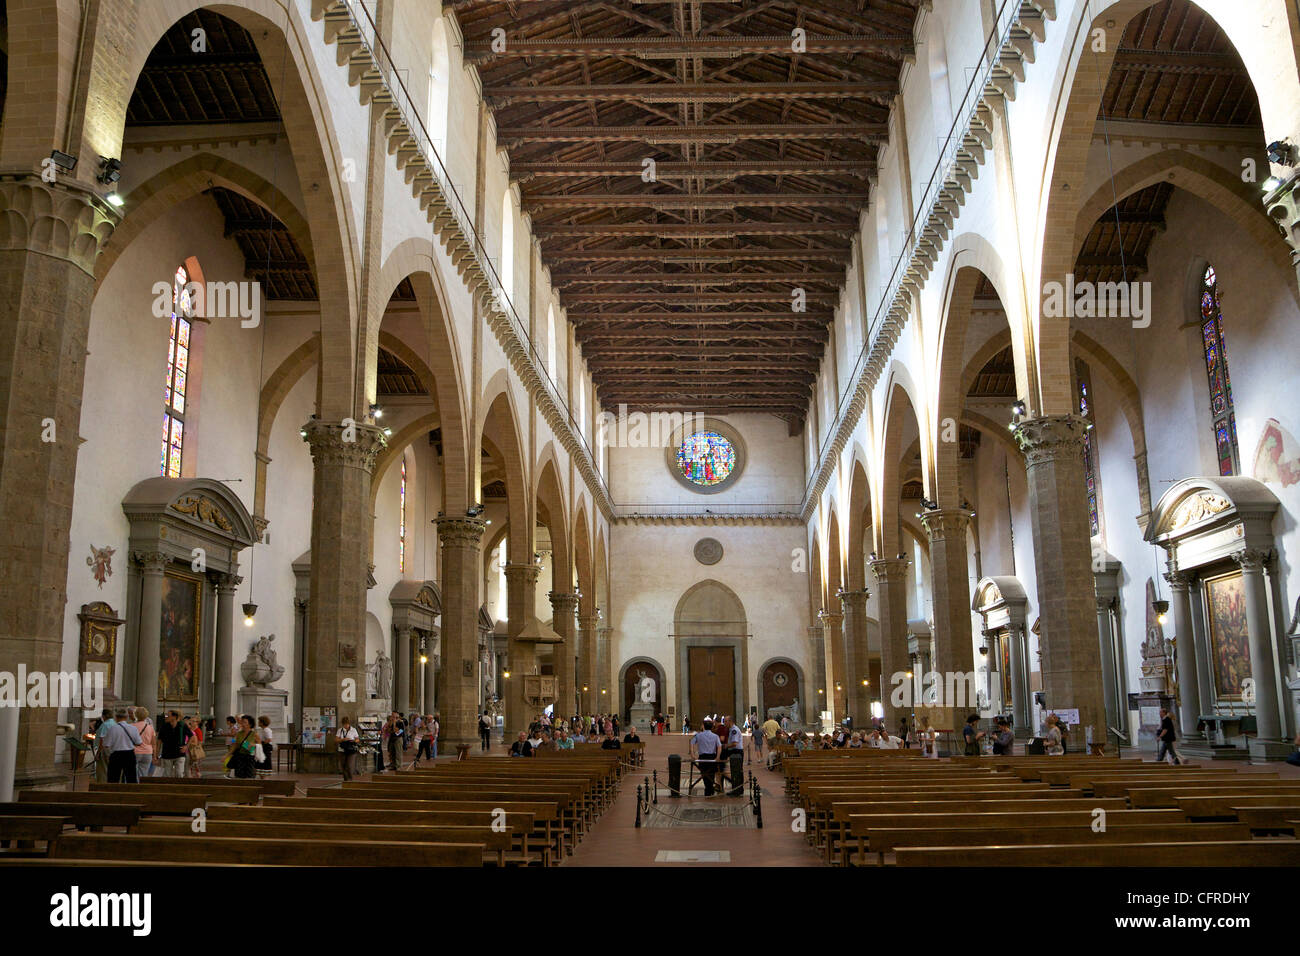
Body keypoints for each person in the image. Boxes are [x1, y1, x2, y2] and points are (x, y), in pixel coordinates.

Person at [98, 709, 143, 783]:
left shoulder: (112, 729)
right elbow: (139, 743)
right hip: (129, 754)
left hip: (116, 755)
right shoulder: (133, 728)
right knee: (131, 777)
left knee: (113, 778)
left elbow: (106, 744)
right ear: (127, 717)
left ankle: (113, 793)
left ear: (116, 717)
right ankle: (131, 793)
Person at [691, 718, 722, 796]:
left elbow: (692, 743)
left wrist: (693, 754)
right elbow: (719, 747)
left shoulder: (698, 735)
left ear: (704, 726)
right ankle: (710, 789)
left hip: (702, 757)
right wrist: (718, 757)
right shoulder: (715, 736)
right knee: (711, 774)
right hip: (712, 757)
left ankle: (708, 789)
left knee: (704, 774)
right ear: (712, 727)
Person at [155, 709, 188, 778]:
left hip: (179, 754)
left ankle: (178, 788)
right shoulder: (164, 727)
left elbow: (192, 736)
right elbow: (159, 742)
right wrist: (156, 755)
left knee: (179, 774)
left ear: (174, 717)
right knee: (167, 775)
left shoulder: (182, 726)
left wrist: (186, 746)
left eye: (168, 715)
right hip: (167, 754)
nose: (165, 717)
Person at [131, 706, 156, 780]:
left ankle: (134, 789)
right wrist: (154, 756)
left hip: (135, 752)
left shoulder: (132, 726)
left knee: (132, 773)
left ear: (135, 715)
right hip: (147, 753)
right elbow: (153, 743)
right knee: (143, 774)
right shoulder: (150, 727)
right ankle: (141, 788)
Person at [336, 716, 360, 780]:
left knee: (349, 765)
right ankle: (346, 779)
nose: (346, 726)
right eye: (344, 724)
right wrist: (343, 739)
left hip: (351, 750)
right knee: (343, 765)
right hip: (342, 750)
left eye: (347, 724)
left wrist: (354, 741)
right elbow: (336, 740)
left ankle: (350, 779)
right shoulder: (340, 730)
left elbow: (357, 739)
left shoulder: (353, 730)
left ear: (349, 723)